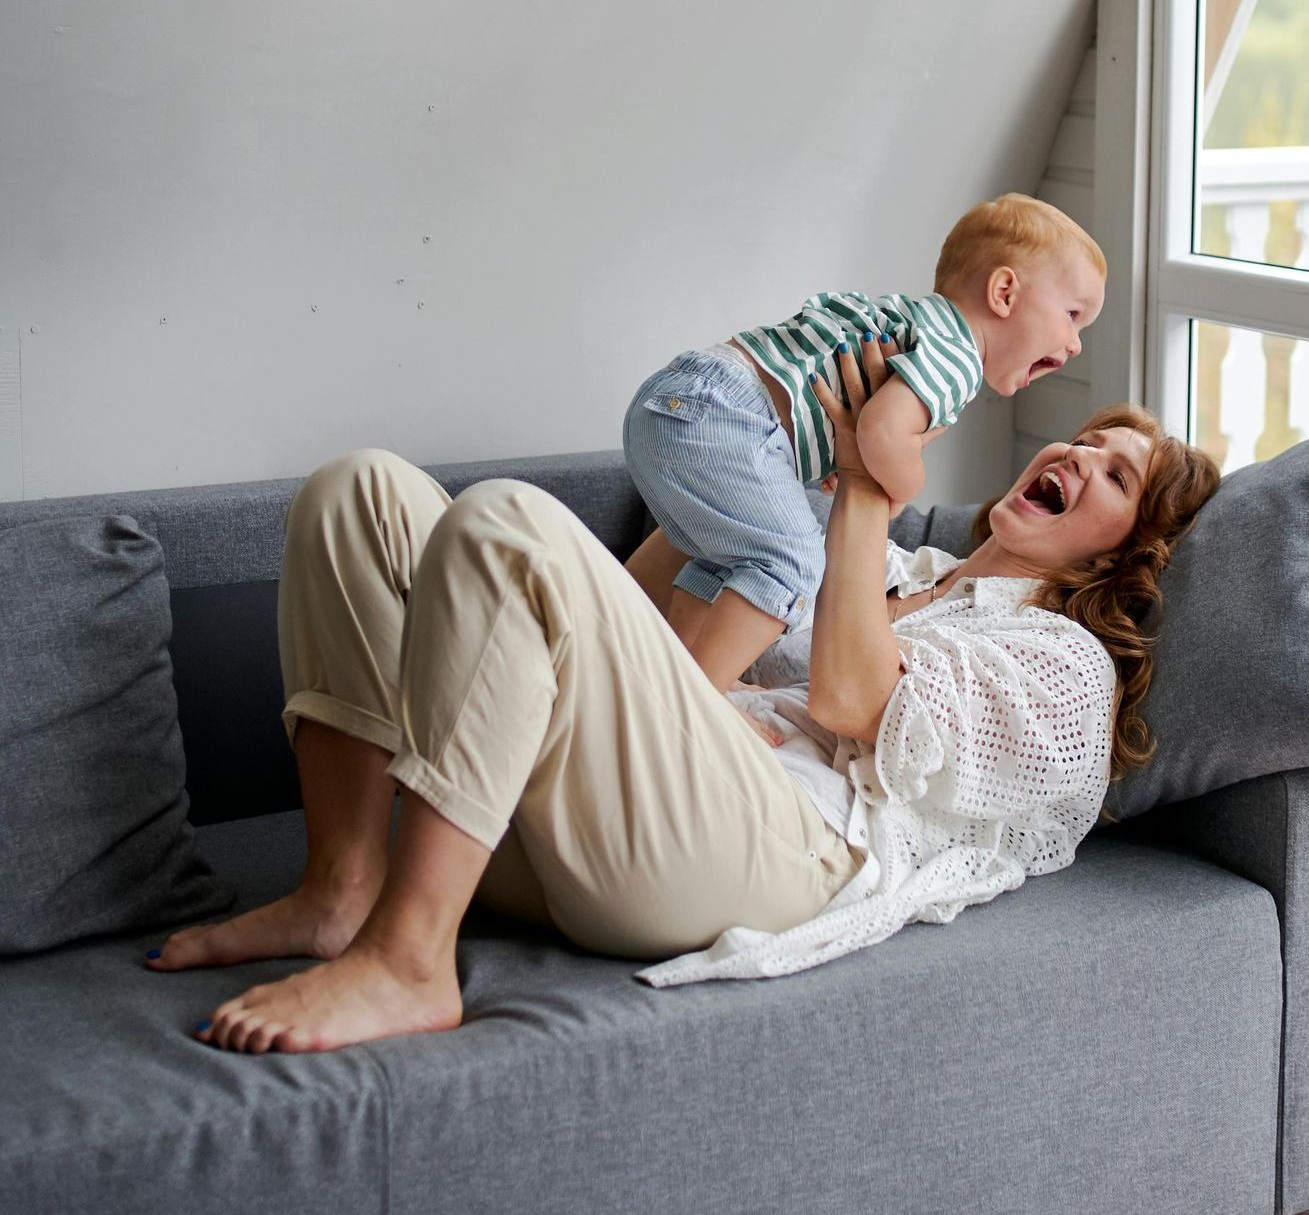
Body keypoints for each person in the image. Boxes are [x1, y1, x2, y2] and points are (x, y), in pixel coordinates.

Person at [143, 339, 1218, 1054]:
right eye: (1086, 439)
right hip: (630, 815)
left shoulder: (1060, 663)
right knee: (358, 493)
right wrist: (749, 443)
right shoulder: (891, 572)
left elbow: (851, 702)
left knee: (510, 522)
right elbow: (649, 638)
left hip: (776, 861)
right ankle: (344, 892)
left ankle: (411, 961)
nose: (1079, 454)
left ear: (1132, 553)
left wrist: (859, 487)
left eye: (1118, 475)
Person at [622, 193, 1106, 694]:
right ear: (1004, 293)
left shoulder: (916, 320)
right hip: (729, 416)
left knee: (725, 559)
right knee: (792, 564)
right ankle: (701, 703)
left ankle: (681, 682)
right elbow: (879, 432)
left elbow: (847, 413)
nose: (1075, 344)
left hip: (686, 396)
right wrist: (903, 485)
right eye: (1072, 315)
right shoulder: (959, 359)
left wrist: (829, 447)